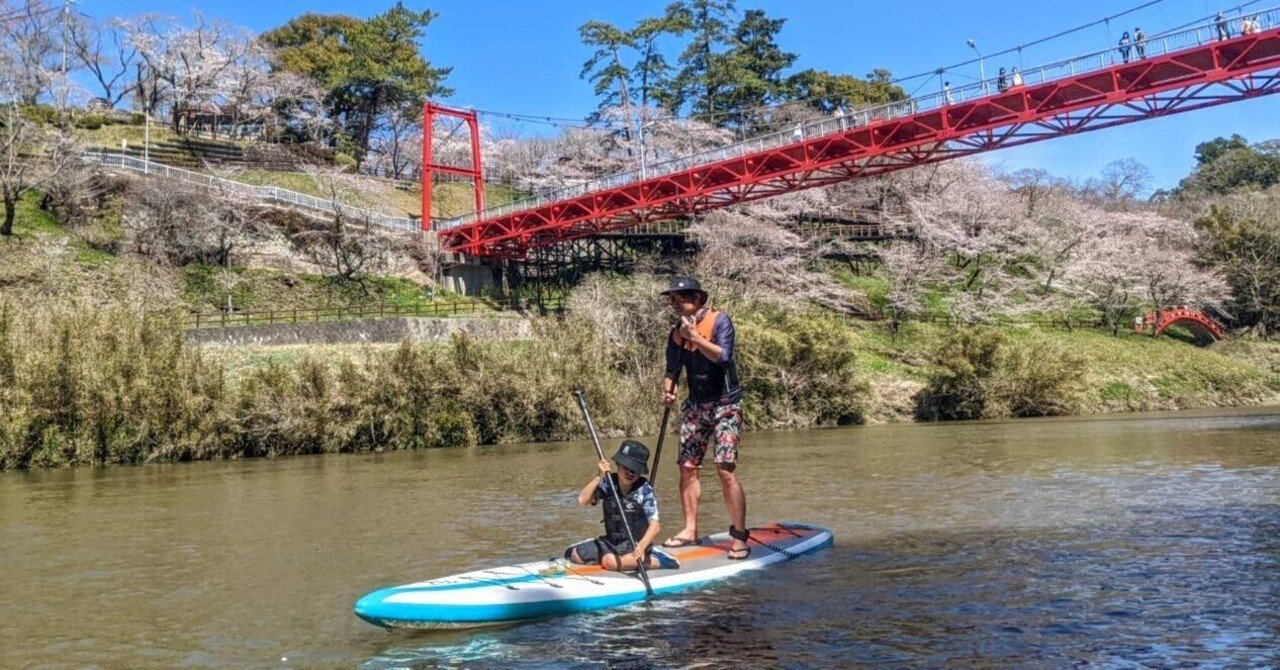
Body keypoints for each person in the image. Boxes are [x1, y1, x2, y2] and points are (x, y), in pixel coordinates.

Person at [658, 276, 751, 560]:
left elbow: (724, 357)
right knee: (687, 466)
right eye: (672, 299)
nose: (675, 303)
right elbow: (672, 370)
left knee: (725, 469)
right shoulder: (675, 333)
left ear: (698, 298)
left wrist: (695, 338)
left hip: (725, 403)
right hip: (697, 404)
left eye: (681, 297)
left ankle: (739, 536)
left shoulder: (720, 321)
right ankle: (689, 530)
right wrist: (668, 392)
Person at [564, 440, 679, 572]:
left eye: (635, 470)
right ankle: (610, 557)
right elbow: (582, 501)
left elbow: (655, 526)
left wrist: (642, 546)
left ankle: (659, 560)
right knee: (576, 555)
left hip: (635, 544)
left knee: (609, 562)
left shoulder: (644, 490)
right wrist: (599, 477)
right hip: (612, 541)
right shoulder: (608, 483)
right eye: (626, 468)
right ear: (617, 464)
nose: (630, 473)